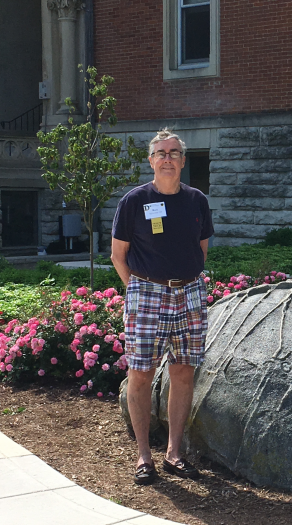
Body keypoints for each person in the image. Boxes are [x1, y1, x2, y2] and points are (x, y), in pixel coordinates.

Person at [111, 129, 214, 485]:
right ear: (151, 160)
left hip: (190, 294)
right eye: (160, 153)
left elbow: (200, 248)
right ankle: (143, 458)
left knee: (184, 372)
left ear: (183, 161)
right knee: (140, 373)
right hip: (147, 294)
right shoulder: (134, 201)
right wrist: (139, 291)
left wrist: (186, 281)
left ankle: (174, 453)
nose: (167, 158)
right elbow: (117, 255)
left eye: (174, 153)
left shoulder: (196, 200)